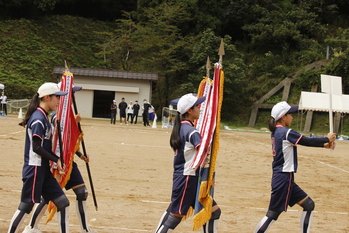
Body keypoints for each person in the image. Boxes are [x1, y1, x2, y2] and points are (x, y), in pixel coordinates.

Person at [22, 84, 95, 233]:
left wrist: (80, 155)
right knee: (51, 196)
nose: (73, 96)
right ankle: (31, 226)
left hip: (68, 162)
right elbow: (56, 140)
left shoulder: (68, 113)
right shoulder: (57, 114)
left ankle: (85, 229)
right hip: (56, 162)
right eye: (71, 93)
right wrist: (73, 123)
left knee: (81, 193)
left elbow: (68, 141)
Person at [254, 101, 336, 233]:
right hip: (283, 178)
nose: (292, 117)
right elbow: (306, 140)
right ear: (283, 117)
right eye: (290, 114)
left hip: (286, 177)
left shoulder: (277, 132)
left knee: (309, 205)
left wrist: (323, 145)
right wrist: (325, 139)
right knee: (273, 214)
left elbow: (302, 141)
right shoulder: (285, 132)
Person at [8, 82, 70, 233]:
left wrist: (56, 159)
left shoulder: (44, 117)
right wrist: (56, 159)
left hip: (43, 169)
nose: (59, 101)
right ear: (47, 98)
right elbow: (36, 147)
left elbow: (46, 146)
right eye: (57, 97)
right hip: (34, 169)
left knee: (62, 202)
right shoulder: (38, 118)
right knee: (26, 205)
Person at [155, 93, 221, 233]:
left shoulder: (183, 127)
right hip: (187, 178)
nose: (200, 109)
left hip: (187, 178)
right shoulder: (190, 131)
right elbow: (204, 151)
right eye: (197, 106)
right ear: (189, 111)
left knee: (214, 212)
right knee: (175, 215)